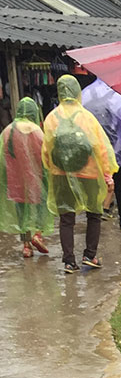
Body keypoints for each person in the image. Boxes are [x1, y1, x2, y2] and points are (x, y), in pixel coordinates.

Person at [41, 74, 117, 274]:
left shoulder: (51, 117)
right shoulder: (87, 117)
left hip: (61, 175)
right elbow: (101, 148)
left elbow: (46, 150)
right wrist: (107, 175)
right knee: (94, 213)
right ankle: (90, 255)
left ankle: (68, 261)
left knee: (66, 218)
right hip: (89, 174)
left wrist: (53, 170)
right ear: (77, 92)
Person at [0, 96, 53, 258]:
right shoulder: (36, 131)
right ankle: (38, 234)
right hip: (36, 179)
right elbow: (45, 155)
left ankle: (26, 246)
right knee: (41, 206)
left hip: (15, 180)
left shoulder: (8, 130)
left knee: (21, 211)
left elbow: (3, 156)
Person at [82, 76, 121, 230]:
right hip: (114, 150)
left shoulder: (84, 94)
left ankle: (93, 217)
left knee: (93, 184)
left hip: (90, 149)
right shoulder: (118, 96)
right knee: (119, 184)